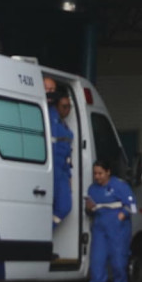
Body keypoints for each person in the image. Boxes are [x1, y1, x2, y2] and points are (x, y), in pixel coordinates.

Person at [84, 158, 137, 282]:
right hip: (100, 228)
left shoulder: (119, 186)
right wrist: (88, 208)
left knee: (118, 263)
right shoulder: (92, 190)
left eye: (100, 173)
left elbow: (132, 206)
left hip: (117, 229)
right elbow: (89, 211)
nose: (97, 176)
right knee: (97, 262)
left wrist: (120, 217)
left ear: (108, 172)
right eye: (95, 173)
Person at [51, 91, 76, 230]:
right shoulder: (50, 117)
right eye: (64, 107)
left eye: (69, 107)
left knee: (65, 206)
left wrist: (69, 176)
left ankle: (47, 231)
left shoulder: (63, 124)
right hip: (52, 169)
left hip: (62, 171)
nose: (67, 110)